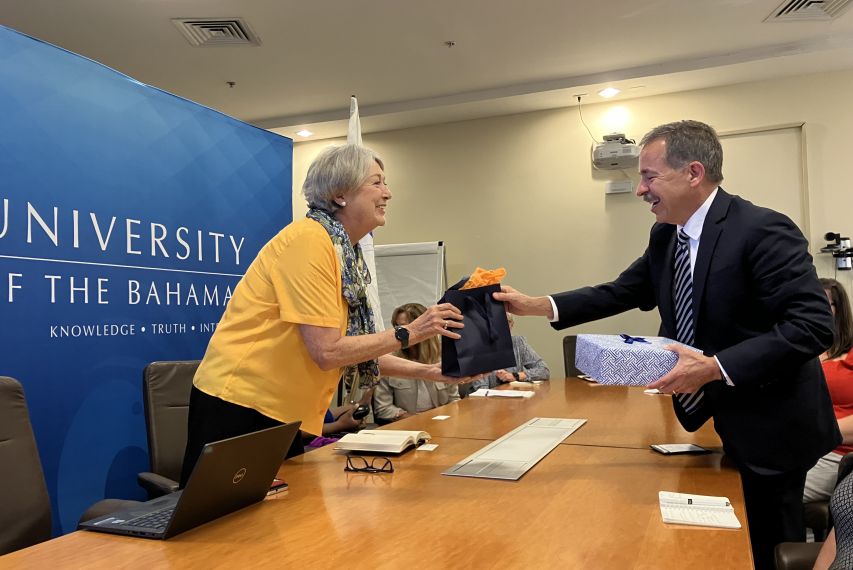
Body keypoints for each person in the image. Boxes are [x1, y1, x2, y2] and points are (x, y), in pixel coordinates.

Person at [494, 120, 839, 570]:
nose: (640, 189)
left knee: (766, 548)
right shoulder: (667, 235)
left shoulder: (762, 229)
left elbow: (812, 326)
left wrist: (714, 367)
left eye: (649, 176)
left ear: (693, 173)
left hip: (773, 427)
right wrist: (538, 305)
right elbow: (623, 290)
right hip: (721, 423)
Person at [180, 144, 473, 486]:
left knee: (278, 524)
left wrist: (429, 371)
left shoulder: (343, 252)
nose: (387, 193)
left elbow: (351, 351)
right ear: (339, 194)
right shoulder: (309, 241)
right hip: (240, 404)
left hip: (281, 411)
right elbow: (328, 352)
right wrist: (409, 333)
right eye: (376, 183)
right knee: (222, 532)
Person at [804, 278, 853, 503]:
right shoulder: (802, 349)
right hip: (800, 447)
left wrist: (816, 431)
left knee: (773, 490)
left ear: (839, 310)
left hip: (836, 453)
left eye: (823, 304)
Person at [373, 303, 460, 422]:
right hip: (406, 427)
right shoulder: (390, 362)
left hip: (441, 424)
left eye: (404, 328)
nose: (398, 333)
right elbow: (383, 408)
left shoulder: (443, 358)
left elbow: (454, 401)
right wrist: (420, 421)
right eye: (396, 327)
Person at [470, 312, 550, 390]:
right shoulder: (479, 348)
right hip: (485, 400)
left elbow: (544, 370)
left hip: (514, 398)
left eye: (505, 322)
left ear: (511, 325)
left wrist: (516, 376)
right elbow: (481, 389)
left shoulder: (518, 343)